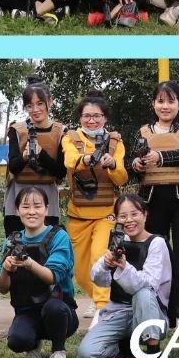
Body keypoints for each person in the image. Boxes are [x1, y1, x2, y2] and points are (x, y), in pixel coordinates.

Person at [132, 80, 179, 324]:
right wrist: (136, 164)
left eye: (171, 101)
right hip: (151, 201)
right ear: (153, 103)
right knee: (156, 256)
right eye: (160, 101)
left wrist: (159, 157)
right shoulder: (143, 132)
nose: (165, 106)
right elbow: (132, 162)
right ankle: (158, 306)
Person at [77, 194, 172, 358]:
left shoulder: (156, 243)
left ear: (145, 214)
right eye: (123, 216)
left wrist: (124, 266)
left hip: (150, 314)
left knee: (144, 293)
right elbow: (98, 280)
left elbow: (149, 283)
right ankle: (121, 349)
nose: (129, 220)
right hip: (118, 313)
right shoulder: (118, 241)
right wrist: (105, 264)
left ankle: (153, 352)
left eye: (134, 214)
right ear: (117, 219)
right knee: (86, 353)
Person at [62, 91, 129, 324]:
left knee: (100, 258)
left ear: (105, 117)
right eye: (86, 116)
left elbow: (122, 177)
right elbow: (70, 161)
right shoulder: (70, 138)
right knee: (81, 272)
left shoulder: (115, 142)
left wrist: (112, 165)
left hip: (107, 213)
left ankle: (103, 309)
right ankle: (106, 299)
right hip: (78, 213)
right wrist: (88, 159)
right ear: (80, 117)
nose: (92, 120)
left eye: (97, 116)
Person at [0, 187, 79, 358]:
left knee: (54, 308)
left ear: (46, 209)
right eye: (25, 206)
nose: (31, 211)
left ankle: (59, 350)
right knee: (17, 341)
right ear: (17, 210)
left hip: (60, 311)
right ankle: (33, 344)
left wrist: (29, 263)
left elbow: (52, 277)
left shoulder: (59, 236)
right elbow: (3, 289)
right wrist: (5, 269)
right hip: (27, 311)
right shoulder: (11, 240)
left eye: (37, 206)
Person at [5, 76, 67, 234]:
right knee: (16, 246)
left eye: (40, 103)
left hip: (48, 204)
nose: (35, 109)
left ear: (50, 102)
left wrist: (41, 154)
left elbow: (60, 171)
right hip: (17, 202)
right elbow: (13, 167)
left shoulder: (61, 131)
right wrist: (25, 157)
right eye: (30, 105)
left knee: (47, 246)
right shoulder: (16, 130)